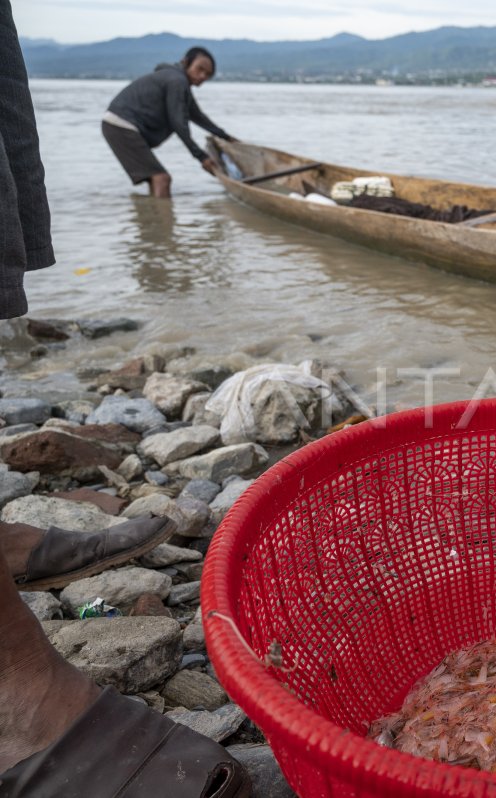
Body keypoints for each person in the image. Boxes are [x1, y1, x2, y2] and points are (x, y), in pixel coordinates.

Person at [1, 5, 249, 795]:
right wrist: (206, 154)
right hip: (122, 129)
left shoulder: (184, 86)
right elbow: (180, 127)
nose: (202, 80)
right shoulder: (172, 80)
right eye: (203, 70)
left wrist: (217, 136)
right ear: (191, 62)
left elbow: (195, 118)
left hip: (108, 126)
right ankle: (160, 234)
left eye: (208, 77)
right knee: (165, 179)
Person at [101, 47, 236, 199]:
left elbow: (197, 116)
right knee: (162, 179)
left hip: (118, 124)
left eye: (207, 74)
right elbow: (179, 123)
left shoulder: (176, 81)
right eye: (199, 69)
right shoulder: (177, 81)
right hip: (121, 125)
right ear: (185, 62)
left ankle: (151, 217)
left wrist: (227, 138)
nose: (202, 76)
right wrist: (201, 157)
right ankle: (162, 221)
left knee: (155, 179)